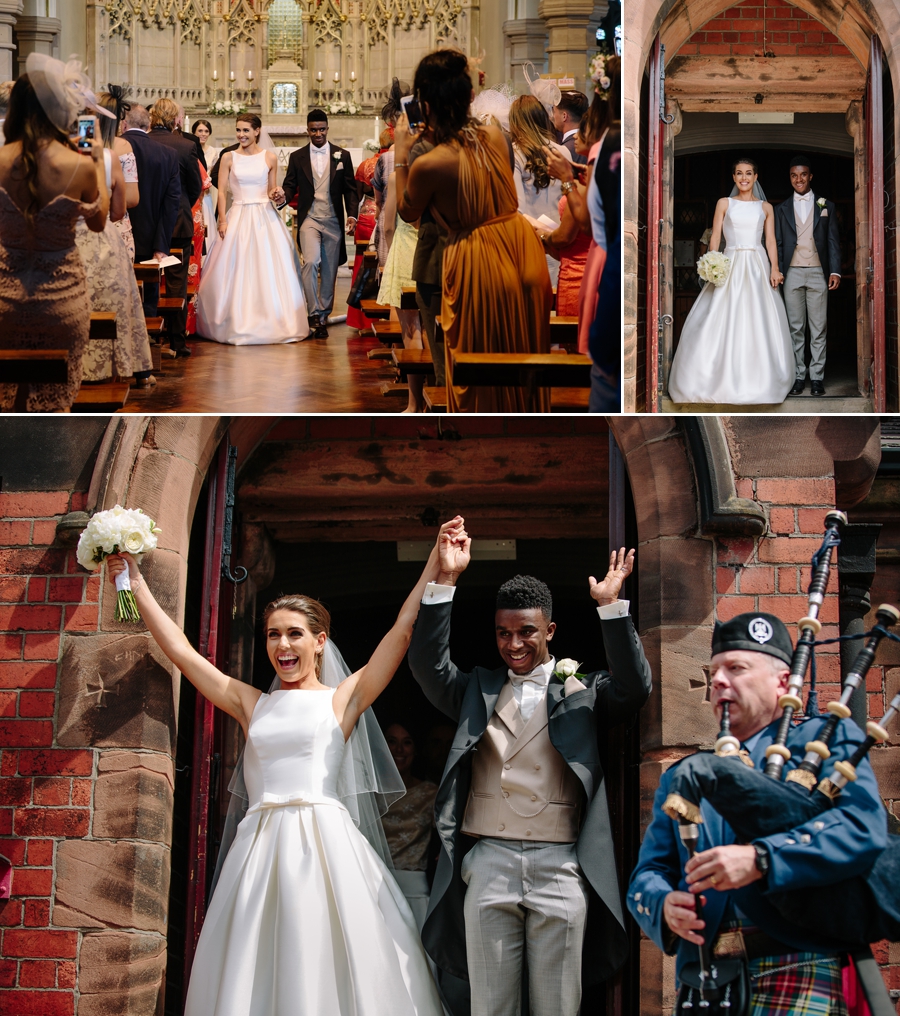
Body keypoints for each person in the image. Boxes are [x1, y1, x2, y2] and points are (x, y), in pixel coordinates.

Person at [103, 523, 469, 1016]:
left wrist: (438, 564)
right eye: (273, 634)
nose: (282, 645)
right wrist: (136, 580)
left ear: (320, 642)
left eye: (295, 634)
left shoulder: (344, 700)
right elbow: (182, 654)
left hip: (327, 845)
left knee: (329, 958)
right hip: (260, 847)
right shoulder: (250, 702)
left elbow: (401, 632)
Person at [407, 526, 652, 1016]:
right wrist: (445, 582)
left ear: (550, 632)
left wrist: (609, 607)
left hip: (561, 865)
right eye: (503, 632)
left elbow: (634, 687)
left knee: (557, 1007)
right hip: (490, 861)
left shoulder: (583, 690)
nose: (513, 643)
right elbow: (428, 668)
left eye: (525, 632)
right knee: (491, 1007)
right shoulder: (476, 688)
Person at [628, 612, 888, 1016]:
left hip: (799, 959)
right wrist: (663, 904)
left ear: (783, 683)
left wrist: (762, 859)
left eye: (736, 668)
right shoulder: (684, 776)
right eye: (714, 670)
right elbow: (646, 874)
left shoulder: (823, 742)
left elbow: (861, 827)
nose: (718, 680)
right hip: (709, 977)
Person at [396, 49, 553, 413]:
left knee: (473, 367)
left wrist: (404, 152)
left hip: (478, 261)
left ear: (425, 103)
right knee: (520, 358)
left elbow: (408, 211)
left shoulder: (430, 162)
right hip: (520, 249)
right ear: (469, 97)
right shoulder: (494, 135)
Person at [0, 55, 109, 412]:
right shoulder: (77, 164)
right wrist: (95, 161)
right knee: (53, 405)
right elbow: (98, 222)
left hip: (4, 296)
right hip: (60, 300)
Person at [667, 156, 794, 405]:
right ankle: (708, 379)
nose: (744, 178)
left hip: (757, 264)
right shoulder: (724, 203)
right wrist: (713, 264)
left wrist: (775, 268)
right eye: (739, 173)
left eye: (748, 173)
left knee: (758, 318)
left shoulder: (765, 208)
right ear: (734, 177)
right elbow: (715, 237)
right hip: (731, 261)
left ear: (756, 177)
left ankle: (763, 380)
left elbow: (769, 241)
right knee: (719, 314)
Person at [196, 114, 309, 344]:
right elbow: (223, 191)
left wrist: (276, 194)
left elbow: (271, 190)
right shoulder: (229, 157)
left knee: (267, 267)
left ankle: (271, 319)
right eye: (238, 130)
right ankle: (233, 320)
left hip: (264, 216)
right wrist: (222, 220)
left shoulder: (269, 157)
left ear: (257, 131)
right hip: (237, 214)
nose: (241, 135)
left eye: (246, 130)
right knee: (235, 266)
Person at [75, 92, 154, 387]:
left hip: (61, 241)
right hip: (101, 239)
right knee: (115, 305)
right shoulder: (107, 157)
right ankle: (122, 366)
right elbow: (118, 211)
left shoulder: (49, 154)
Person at [278, 109, 358, 339]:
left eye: (322, 129)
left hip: (333, 220)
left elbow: (350, 190)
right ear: (307, 130)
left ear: (327, 128)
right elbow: (290, 185)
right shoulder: (297, 156)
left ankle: (323, 316)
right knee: (311, 262)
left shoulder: (342, 155)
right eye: (314, 130)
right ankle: (313, 312)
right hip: (310, 218)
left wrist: (352, 215)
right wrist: (282, 195)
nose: (318, 133)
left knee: (330, 271)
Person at [774, 155, 842, 396]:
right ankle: (798, 376)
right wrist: (778, 270)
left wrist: (835, 270)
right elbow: (779, 243)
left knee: (818, 328)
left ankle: (817, 378)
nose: (799, 179)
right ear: (790, 178)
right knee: (795, 328)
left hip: (817, 273)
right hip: (791, 273)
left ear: (810, 176)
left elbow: (833, 241)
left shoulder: (826, 206)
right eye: (794, 175)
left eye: (803, 174)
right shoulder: (780, 209)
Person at [146, 97, 202, 356]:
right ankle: (177, 342)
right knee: (177, 284)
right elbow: (195, 186)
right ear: (177, 119)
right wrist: (181, 208)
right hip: (178, 224)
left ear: (152, 117)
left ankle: (149, 337)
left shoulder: (140, 143)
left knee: (147, 283)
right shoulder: (185, 145)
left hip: (146, 224)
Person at [120, 103, 180, 321]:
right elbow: (171, 203)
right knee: (148, 297)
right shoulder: (167, 154)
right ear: (148, 124)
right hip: (151, 236)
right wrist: (161, 245)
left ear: (124, 124)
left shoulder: (113, 148)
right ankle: (148, 344)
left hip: (117, 232)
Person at [508, 94, 572, 291]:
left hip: (529, 242)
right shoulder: (562, 151)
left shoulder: (515, 153)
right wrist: (553, 232)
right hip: (560, 239)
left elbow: (517, 208)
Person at [376, 160, 424, 412]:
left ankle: (414, 403)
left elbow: (388, 226)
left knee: (411, 333)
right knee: (433, 333)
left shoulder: (397, 178)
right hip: (433, 253)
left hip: (405, 253)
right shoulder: (442, 173)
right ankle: (436, 396)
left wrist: (391, 254)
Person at [382, 721, 439, 930]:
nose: (399, 749)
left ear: (416, 750)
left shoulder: (431, 794)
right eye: (391, 741)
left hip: (414, 890)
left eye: (407, 742)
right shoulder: (367, 794)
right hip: (373, 886)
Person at [540, 120, 592, 316]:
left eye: (584, 131)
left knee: (575, 344)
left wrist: (542, 236)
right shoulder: (590, 175)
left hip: (577, 274)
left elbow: (566, 236)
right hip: (576, 265)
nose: (576, 136)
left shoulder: (582, 185)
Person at [192, 118, 220, 260]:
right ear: (194, 132)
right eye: (200, 131)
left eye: (206, 131)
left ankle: (209, 260)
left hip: (206, 195)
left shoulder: (213, 152)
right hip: (193, 195)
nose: (203, 134)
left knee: (208, 226)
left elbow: (214, 175)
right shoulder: (189, 148)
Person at [550, 90, 588, 164]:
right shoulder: (589, 142)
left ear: (564, 116)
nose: (552, 116)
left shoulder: (565, 149)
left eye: (554, 111)